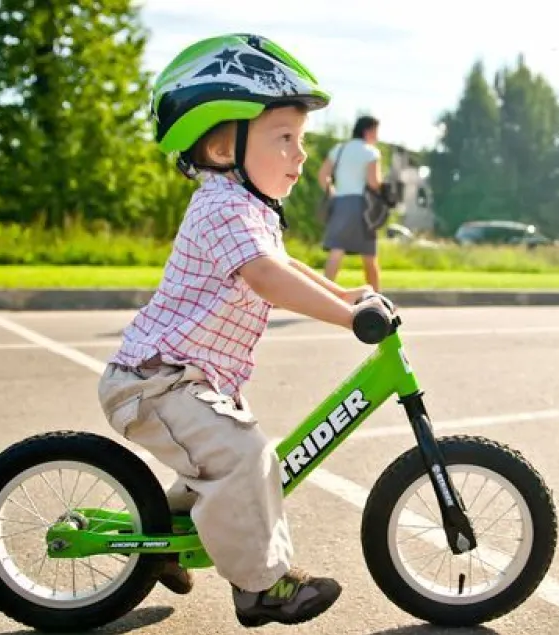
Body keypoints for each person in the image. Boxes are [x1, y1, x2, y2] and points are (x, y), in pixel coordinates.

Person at [96, 34, 393, 628]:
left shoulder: (248, 207)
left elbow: (284, 265)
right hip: (156, 384)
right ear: (220, 144)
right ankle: (264, 587)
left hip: (188, 382)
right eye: (284, 138)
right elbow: (266, 278)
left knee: (232, 464)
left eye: (301, 140)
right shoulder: (221, 207)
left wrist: (344, 293)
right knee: (246, 459)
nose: (301, 155)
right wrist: (347, 317)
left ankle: (157, 543)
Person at [318, 115, 384, 291]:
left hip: (340, 202)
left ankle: (326, 293)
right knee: (369, 255)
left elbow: (323, 175)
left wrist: (332, 191)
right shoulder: (370, 152)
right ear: (368, 131)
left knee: (336, 249)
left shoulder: (339, 149)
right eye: (376, 131)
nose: (377, 136)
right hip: (362, 205)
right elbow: (373, 182)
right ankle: (377, 297)